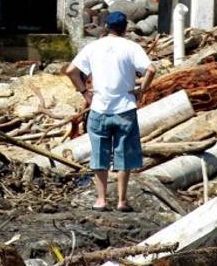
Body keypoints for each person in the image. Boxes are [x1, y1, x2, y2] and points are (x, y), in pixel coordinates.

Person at [64, 11, 156, 211]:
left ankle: (101, 200)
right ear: (125, 28)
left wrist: (85, 93)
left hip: (99, 108)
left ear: (106, 26)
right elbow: (151, 70)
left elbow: (71, 70)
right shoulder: (131, 47)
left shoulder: (93, 47)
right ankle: (122, 201)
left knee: (99, 155)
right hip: (125, 109)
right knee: (124, 156)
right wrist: (142, 90)